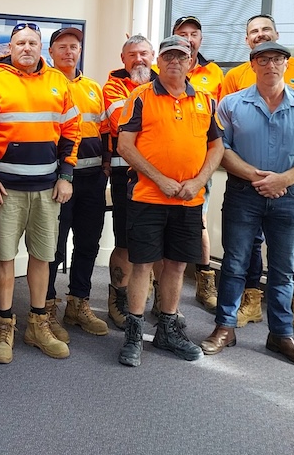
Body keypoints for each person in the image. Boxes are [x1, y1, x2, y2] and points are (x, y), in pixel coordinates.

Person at [200, 41, 294, 368]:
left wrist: (283, 180)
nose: (270, 65)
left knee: (284, 269)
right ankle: (225, 328)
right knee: (234, 263)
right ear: (253, 65)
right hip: (243, 195)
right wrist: (257, 177)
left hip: (290, 197)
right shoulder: (231, 104)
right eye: (263, 59)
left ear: (286, 65)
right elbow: (220, 148)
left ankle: (281, 334)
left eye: (276, 59)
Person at [116, 35, 223, 367]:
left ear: (191, 62)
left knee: (176, 265)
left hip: (189, 201)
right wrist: (160, 179)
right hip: (147, 197)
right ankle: (134, 334)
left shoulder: (206, 101)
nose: (175, 61)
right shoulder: (140, 97)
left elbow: (217, 147)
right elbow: (125, 146)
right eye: (168, 57)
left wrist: (199, 181)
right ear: (157, 63)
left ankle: (167, 329)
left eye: (182, 56)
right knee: (143, 264)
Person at [0, 22, 81, 363]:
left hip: (47, 189)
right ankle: (5, 325)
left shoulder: (58, 82)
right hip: (4, 190)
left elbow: (71, 132)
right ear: (10, 47)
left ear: (41, 47)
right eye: (20, 42)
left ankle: (38, 324)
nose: (27, 47)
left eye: (33, 42)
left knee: (43, 256)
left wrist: (66, 175)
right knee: (5, 257)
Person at [45, 26, 110, 338]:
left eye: (74, 46)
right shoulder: (46, 85)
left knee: (87, 244)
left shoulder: (94, 88)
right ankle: (45, 309)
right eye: (62, 47)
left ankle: (78, 304)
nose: (69, 52)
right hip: (58, 181)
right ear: (51, 53)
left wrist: (107, 164)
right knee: (53, 249)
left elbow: (106, 129)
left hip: (92, 181)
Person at [101, 35, 156, 329]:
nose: (139, 60)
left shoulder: (168, 82)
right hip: (127, 176)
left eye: (144, 53)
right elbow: (121, 123)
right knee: (124, 239)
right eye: (132, 55)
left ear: (153, 55)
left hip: (165, 179)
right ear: (123, 59)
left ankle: (160, 301)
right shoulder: (113, 86)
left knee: (159, 242)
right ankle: (117, 299)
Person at [171, 15, 224, 311]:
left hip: (199, 167)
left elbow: (223, 121)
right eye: (183, 33)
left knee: (198, 223)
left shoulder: (215, 73)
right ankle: (158, 288)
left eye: (194, 33)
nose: (189, 38)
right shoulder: (159, 67)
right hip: (162, 170)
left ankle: (205, 281)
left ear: (201, 39)